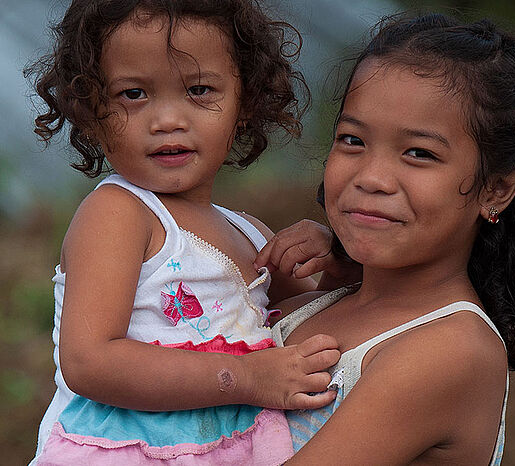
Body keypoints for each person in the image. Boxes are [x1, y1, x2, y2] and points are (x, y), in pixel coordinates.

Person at [255, 13, 515, 464]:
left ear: (496, 188)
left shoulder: (448, 351)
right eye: (352, 140)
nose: (372, 177)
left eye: (419, 153)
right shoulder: (323, 302)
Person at [26, 1, 356, 464]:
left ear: (246, 102)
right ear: (89, 109)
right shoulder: (119, 213)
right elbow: (89, 361)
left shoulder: (250, 233)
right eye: (133, 94)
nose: (167, 120)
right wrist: (246, 378)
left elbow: (303, 328)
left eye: (199, 89)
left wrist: (337, 265)